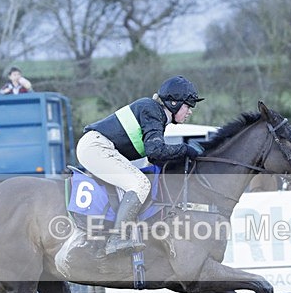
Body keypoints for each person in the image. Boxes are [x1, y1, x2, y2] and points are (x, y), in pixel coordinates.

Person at [77, 75, 205, 255]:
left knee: (140, 181)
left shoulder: (157, 115)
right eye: (188, 106)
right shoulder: (152, 110)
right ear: (174, 103)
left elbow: (154, 159)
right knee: (140, 184)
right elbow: (155, 151)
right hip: (96, 147)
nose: (190, 111)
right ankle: (117, 238)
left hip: (97, 146)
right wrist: (185, 149)